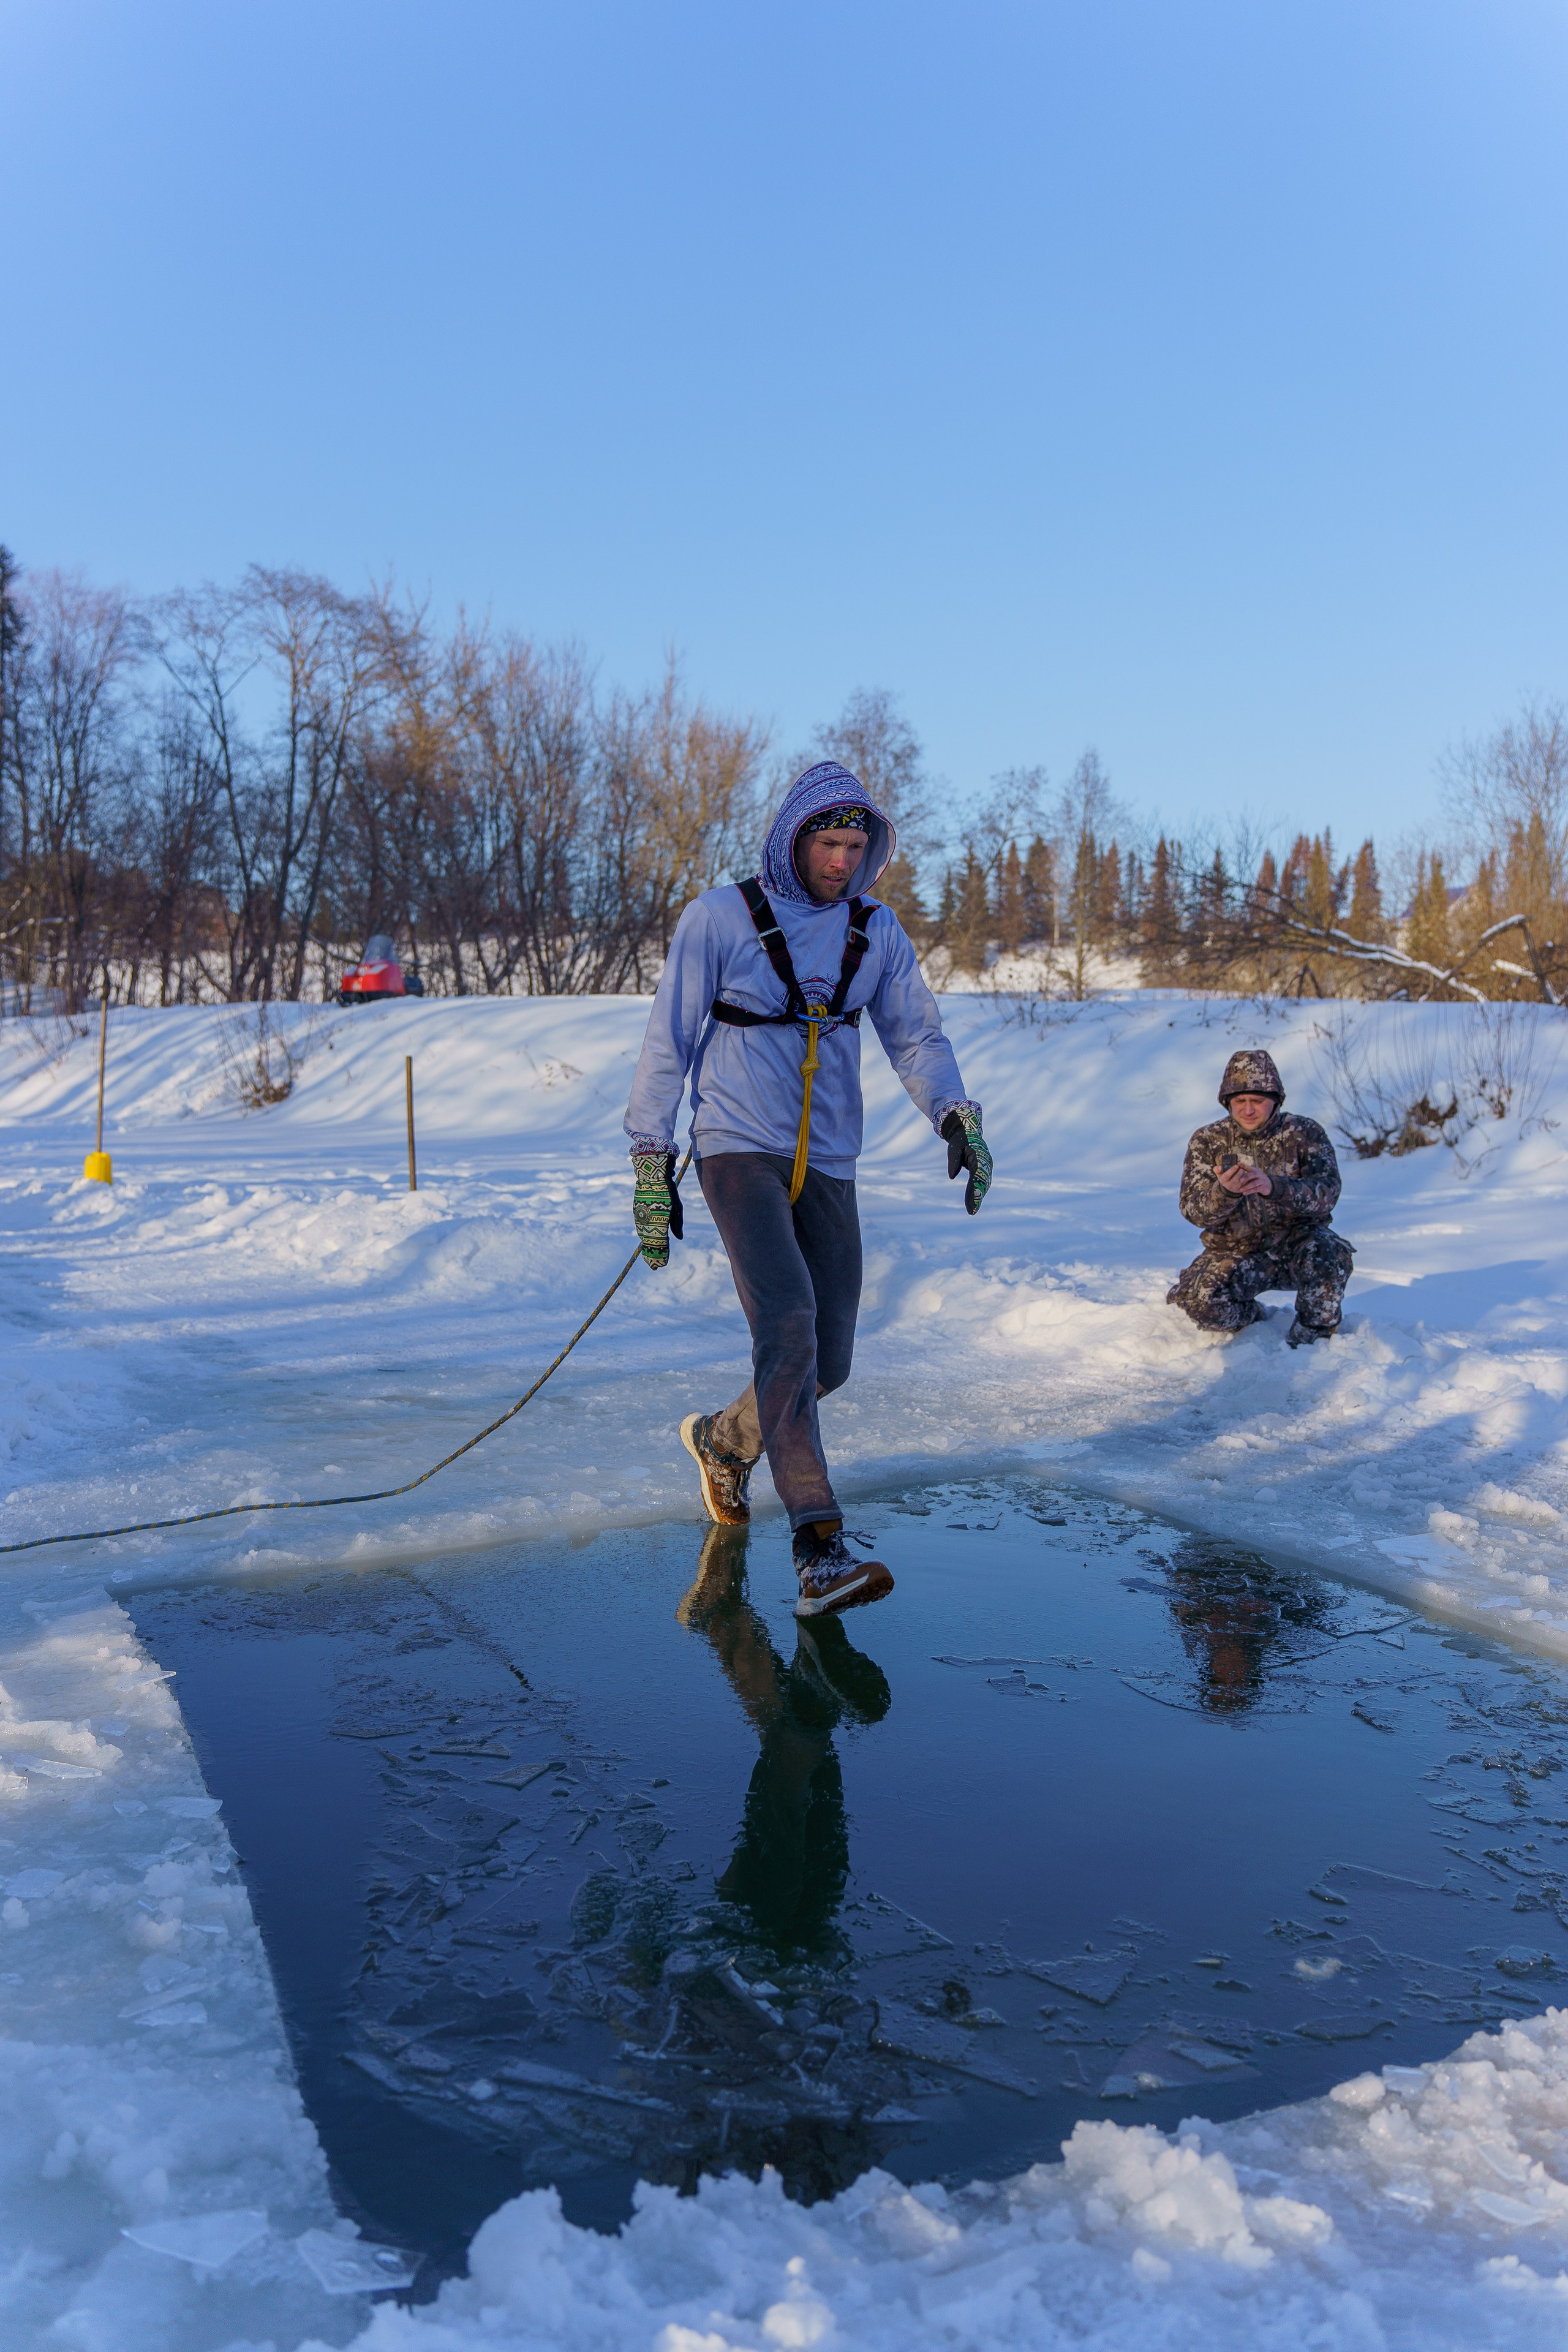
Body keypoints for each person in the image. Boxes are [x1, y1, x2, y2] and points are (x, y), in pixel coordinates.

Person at [624, 760, 992, 1618]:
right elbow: (667, 1040)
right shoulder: (720, 918)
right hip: (735, 1148)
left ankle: (724, 1441)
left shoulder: (877, 930)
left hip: (828, 1157)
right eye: (829, 841)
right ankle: (819, 1548)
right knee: (786, 1325)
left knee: (828, 1359)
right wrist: (651, 1158)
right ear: (794, 838)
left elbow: (917, 1037)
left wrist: (955, 1115)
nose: (842, 859)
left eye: (856, 844)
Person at [1167, 1047, 1353, 1347]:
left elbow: (1327, 1194)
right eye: (1240, 1101)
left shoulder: (1304, 1133)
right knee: (1197, 1302)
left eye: (1258, 1101)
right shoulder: (1208, 1140)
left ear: (1276, 1101)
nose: (1248, 1110)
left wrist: (1274, 1187)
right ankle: (1253, 1317)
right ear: (1228, 1102)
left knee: (1329, 1253)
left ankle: (1311, 1340)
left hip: (1296, 1245)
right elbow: (1193, 1210)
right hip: (1234, 1250)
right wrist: (1224, 1193)